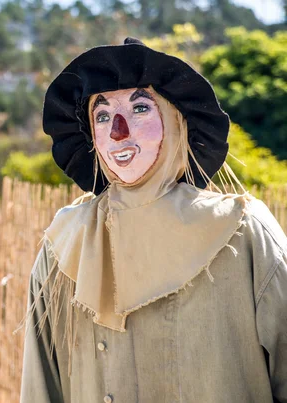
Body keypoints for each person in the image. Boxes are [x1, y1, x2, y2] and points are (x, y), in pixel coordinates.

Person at [20, 38, 287, 402]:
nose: (118, 131)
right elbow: (41, 388)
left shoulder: (243, 232)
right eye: (101, 116)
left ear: (176, 121)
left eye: (141, 109)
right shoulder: (62, 246)